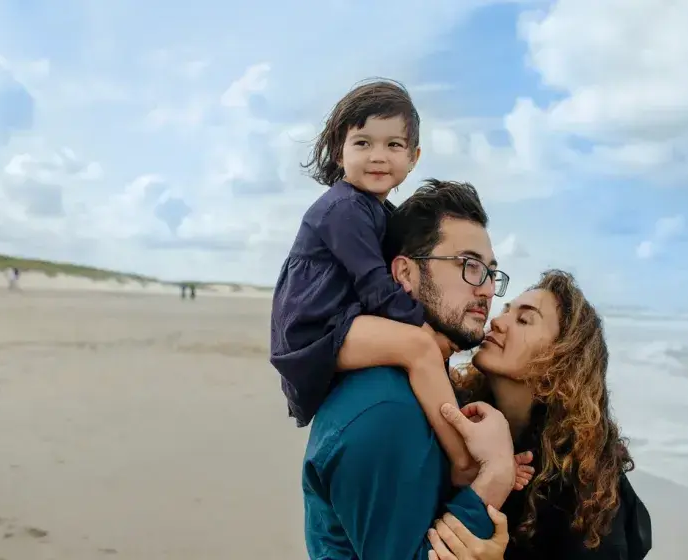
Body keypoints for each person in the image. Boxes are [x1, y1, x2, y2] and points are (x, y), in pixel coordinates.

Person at [270, 79, 480, 482]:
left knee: (429, 342)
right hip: (314, 328)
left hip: (341, 317)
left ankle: (445, 412)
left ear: (414, 156)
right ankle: (463, 462)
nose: (378, 157)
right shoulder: (343, 209)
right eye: (362, 143)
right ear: (339, 150)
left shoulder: (380, 212)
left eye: (393, 145)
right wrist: (424, 329)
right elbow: (375, 285)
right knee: (419, 345)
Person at [302, 179, 521, 559]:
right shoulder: (388, 411)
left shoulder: (428, 389)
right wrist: (495, 475)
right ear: (404, 274)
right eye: (469, 266)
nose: (486, 290)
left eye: (490, 273)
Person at [427, 270, 653, 560]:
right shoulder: (458, 414)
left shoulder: (586, 486)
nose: (496, 320)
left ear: (561, 360)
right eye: (506, 310)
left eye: (524, 320)